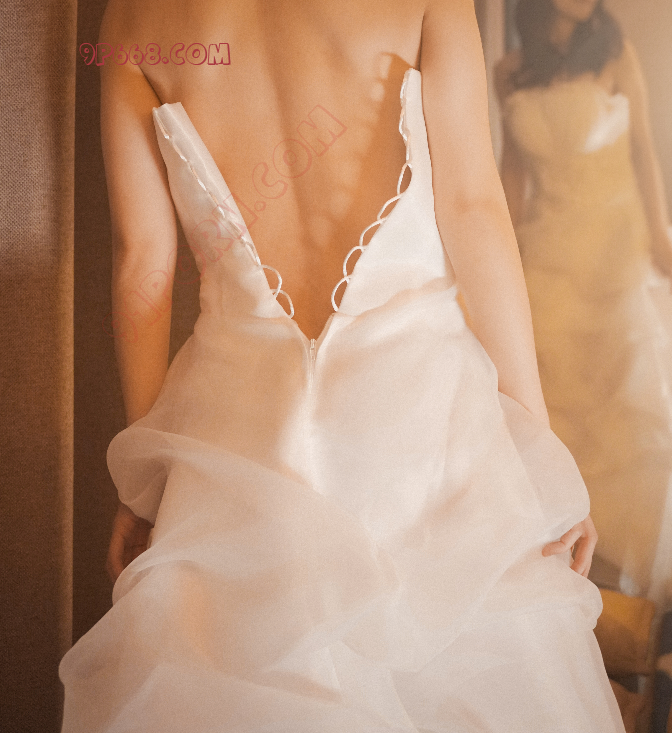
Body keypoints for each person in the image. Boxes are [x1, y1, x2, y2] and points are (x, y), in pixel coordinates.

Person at [59, 0, 626, 730]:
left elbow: (143, 266)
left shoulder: (130, 19)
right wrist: (539, 452)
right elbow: (474, 209)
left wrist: (148, 471)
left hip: (239, 439)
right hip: (423, 429)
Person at [496, 0, 672, 607]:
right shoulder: (509, 69)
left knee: (627, 417)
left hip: (614, 256)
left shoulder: (615, 53)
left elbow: (644, 148)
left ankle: (639, 591)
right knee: (559, 415)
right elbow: (511, 174)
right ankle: (582, 579)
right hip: (546, 258)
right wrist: (497, 259)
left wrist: (662, 238)